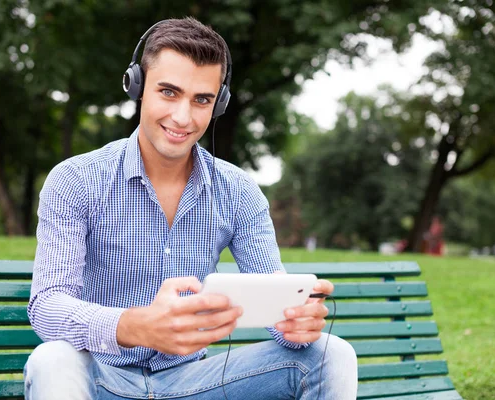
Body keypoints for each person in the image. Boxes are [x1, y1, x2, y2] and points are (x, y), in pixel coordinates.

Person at [24, 17, 357, 400]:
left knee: (333, 354)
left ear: (219, 104)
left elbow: (276, 310)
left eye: (202, 100)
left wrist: (296, 322)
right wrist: (134, 325)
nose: (183, 117)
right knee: (52, 360)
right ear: (137, 87)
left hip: (194, 384)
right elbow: (47, 307)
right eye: (168, 92)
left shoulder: (238, 191)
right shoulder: (76, 180)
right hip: (101, 379)